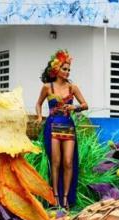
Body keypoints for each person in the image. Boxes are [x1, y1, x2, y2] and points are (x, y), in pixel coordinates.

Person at [36, 49, 89, 208]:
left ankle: (66, 197)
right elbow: (38, 103)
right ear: (56, 69)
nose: (67, 72)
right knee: (56, 162)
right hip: (52, 126)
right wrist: (39, 117)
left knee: (68, 162)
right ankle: (56, 197)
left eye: (68, 69)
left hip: (67, 126)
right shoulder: (47, 87)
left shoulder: (73, 87)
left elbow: (85, 105)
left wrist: (75, 108)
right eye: (64, 69)